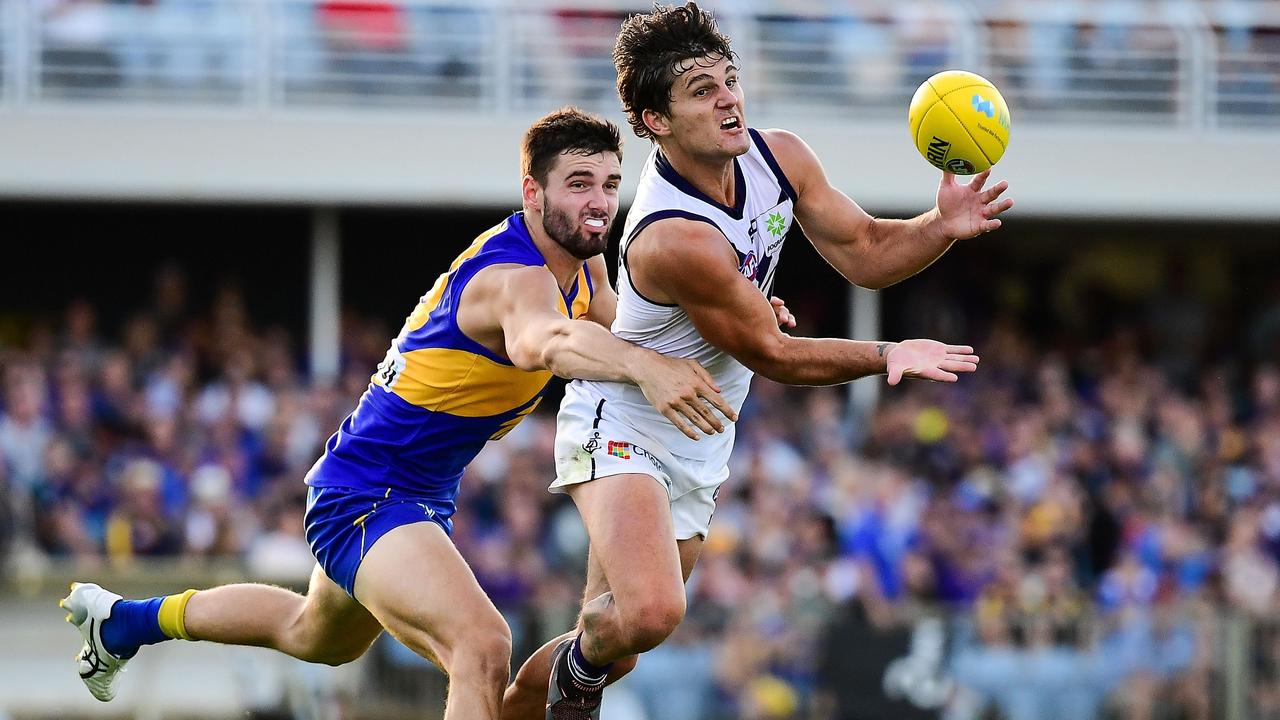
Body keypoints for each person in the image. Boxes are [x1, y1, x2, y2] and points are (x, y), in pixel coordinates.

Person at [59, 106, 741, 720]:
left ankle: (122, 621)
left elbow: (630, 336)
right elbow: (551, 342)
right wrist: (647, 368)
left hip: (406, 493)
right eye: (579, 184)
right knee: (481, 644)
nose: (599, 203)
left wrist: (738, 323)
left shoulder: (582, 268)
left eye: (609, 183)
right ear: (533, 193)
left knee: (313, 636)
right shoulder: (517, 279)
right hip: (368, 493)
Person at [501, 4, 1013, 719]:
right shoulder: (672, 234)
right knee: (649, 614)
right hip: (623, 420)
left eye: (730, 79)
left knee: (620, 640)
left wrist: (941, 226)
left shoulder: (781, 158)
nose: (728, 97)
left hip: (702, 430)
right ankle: (575, 689)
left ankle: (519, 705)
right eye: (701, 89)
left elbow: (865, 250)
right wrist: (888, 351)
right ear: (656, 121)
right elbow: (774, 354)